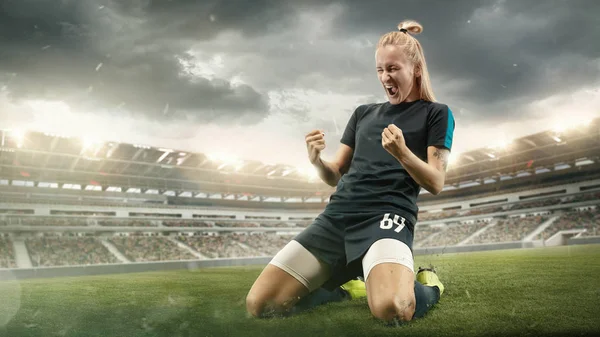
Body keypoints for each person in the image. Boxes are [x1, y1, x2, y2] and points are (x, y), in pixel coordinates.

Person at [245, 19, 455, 324]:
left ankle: (429, 285)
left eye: (393, 68)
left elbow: (436, 181)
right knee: (261, 305)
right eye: (380, 70)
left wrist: (402, 153)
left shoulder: (437, 113)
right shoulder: (363, 114)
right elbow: (335, 174)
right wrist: (317, 160)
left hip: (387, 217)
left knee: (392, 310)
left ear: (416, 69)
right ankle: (347, 288)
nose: (385, 77)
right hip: (338, 217)